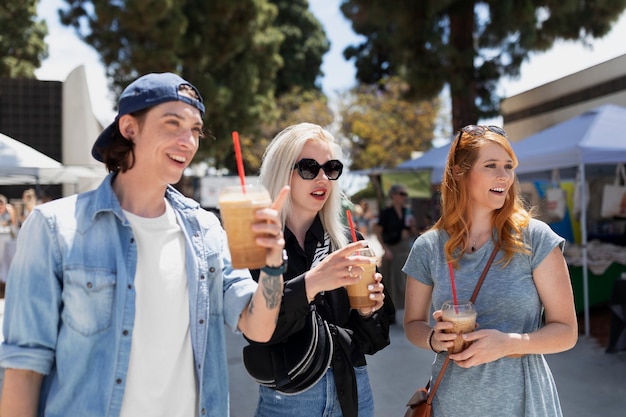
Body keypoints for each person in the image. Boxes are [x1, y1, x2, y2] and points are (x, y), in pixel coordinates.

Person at [0, 72, 290, 417]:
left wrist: (273, 265)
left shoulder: (206, 231)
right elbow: (24, 369)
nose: (188, 141)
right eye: (172, 123)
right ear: (129, 128)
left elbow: (258, 327)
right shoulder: (54, 229)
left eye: (195, 129)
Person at [403, 125, 578, 416]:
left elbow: (567, 332)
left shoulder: (535, 238)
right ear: (460, 172)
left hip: (524, 403)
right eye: (491, 165)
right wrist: (434, 339)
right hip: (450, 403)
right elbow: (412, 325)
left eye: (509, 166)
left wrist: (508, 343)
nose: (504, 176)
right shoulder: (429, 247)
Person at [246, 122, 391, 417]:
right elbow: (260, 332)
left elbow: (373, 342)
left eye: (331, 168)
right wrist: (313, 282)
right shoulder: (256, 242)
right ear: (282, 171)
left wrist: (369, 311)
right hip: (291, 400)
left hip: (353, 391)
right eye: (310, 167)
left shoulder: (349, 241)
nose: (323, 177)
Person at [374, 184, 418, 310]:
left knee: (406, 282)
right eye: (401, 193)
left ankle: (408, 309)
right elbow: (377, 231)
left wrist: (413, 226)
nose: (404, 197)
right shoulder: (387, 213)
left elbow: (413, 232)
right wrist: (385, 248)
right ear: (393, 196)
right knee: (392, 283)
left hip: (405, 250)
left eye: (405, 194)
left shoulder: (407, 212)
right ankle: (392, 311)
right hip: (392, 250)